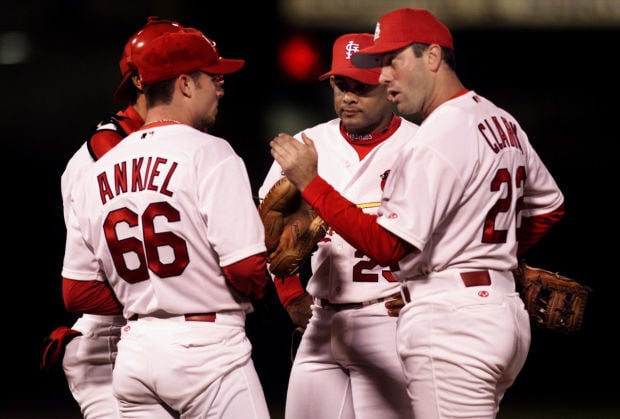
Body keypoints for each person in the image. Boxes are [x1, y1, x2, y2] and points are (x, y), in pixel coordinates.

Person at [270, 7, 565, 418]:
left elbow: (388, 247)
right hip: (495, 311)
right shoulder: (500, 120)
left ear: (432, 57)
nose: (385, 74)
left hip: (451, 318)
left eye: (393, 60)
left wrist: (313, 185)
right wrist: (491, 257)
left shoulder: (435, 136)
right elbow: (549, 207)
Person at [61, 26, 271, 418]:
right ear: (186, 84)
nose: (221, 86)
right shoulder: (212, 152)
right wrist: (209, 284)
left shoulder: (97, 168)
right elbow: (247, 271)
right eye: (213, 77)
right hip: (206, 351)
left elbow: (77, 290)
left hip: (134, 352)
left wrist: (149, 293)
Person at [260, 33, 416, 419]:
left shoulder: (419, 146)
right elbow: (266, 236)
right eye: (340, 85)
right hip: (321, 324)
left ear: (388, 86)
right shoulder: (306, 145)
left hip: (390, 323)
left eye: (361, 87)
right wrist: (290, 294)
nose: (348, 97)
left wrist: (423, 294)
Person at [40, 16, 185, 419]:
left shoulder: (180, 145)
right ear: (142, 83)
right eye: (187, 73)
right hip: (112, 337)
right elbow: (84, 287)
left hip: (161, 334)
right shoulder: (104, 156)